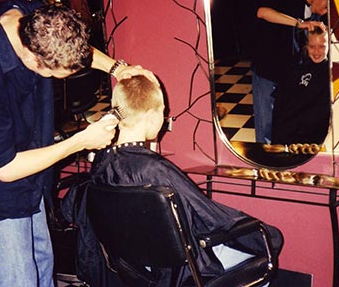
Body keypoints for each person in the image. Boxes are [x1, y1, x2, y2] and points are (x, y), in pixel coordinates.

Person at [0, 0, 156, 287]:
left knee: (42, 272)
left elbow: (75, 50)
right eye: (60, 76)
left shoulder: (40, 21)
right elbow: (4, 169)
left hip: (32, 177)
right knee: (16, 281)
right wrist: (80, 141)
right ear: (34, 62)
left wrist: (117, 68)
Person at [64, 76, 283, 286]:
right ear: (151, 116)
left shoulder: (102, 163)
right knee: (263, 247)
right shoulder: (154, 168)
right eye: (163, 113)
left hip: (135, 266)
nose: (164, 119)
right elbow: (212, 217)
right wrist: (266, 233)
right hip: (184, 268)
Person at [252, 0, 327, 143]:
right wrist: (299, 24)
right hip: (268, 68)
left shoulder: (315, 14)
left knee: (284, 121)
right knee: (265, 123)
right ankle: (264, 162)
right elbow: (262, 12)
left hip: (289, 73)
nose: (324, 12)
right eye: (326, 7)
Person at [271, 27, 330, 145]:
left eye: (322, 46)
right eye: (312, 47)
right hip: (290, 136)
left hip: (315, 138)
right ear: (306, 47)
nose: (317, 52)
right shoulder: (296, 71)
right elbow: (280, 107)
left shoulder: (333, 74)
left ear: (329, 46)